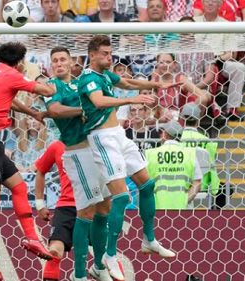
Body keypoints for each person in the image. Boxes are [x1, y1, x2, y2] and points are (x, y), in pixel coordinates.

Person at [78, 35, 176, 280]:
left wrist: (153, 85)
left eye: (110, 53)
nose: (109, 58)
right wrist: (131, 100)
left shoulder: (104, 75)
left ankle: (149, 239)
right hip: (102, 139)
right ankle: (110, 255)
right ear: (92, 55)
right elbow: (99, 101)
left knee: (147, 184)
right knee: (121, 196)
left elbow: (126, 82)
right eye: (104, 54)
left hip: (119, 135)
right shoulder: (88, 78)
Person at [0, 41, 55, 281]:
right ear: (19, 63)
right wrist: (55, 81)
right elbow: (47, 92)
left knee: (18, 186)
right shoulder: (12, 74)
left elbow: (10, 99)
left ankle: (32, 238)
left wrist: (32, 113)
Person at [43, 46, 114, 281]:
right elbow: (54, 110)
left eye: (63, 59)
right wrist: (81, 109)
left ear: (72, 62)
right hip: (74, 166)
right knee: (59, 246)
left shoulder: (82, 83)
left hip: (94, 151)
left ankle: (96, 268)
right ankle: (79, 274)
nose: (59, 63)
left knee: (104, 214)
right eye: (55, 60)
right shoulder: (51, 87)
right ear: (51, 65)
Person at [194, 0, 245, 120]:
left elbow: (231, 53)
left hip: (219, 60)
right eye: (207, 1)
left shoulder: (226, 24)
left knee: (239, 68)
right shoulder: (193, 22)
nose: (210, 4)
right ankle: (214, 107)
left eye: (214, 1)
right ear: (202, 4)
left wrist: (215, 59)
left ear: (220, 5)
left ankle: (233, 109)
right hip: (195, 61)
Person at [34, 141, 78, 281]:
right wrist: (40, 203)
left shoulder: (95, 139)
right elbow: (40, 170)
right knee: (54, 251)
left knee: (106, 256)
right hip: (66, 207)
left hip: (93, 206)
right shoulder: (57, 146)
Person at [145, 120, 203, 209]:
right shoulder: (189, 154)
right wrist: (185, 201)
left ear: (165, 134)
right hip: (184, 209)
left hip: (157, 207)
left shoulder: (151, 154)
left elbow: (144, 183)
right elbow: (197, 183)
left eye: (162, 132)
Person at [180, 102, 220, 200]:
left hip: (179, 184)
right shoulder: (206, 141)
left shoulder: (176, 139)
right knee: (228, 189)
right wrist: (215, 189)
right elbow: (212, 166)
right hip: (202, 186)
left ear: (182, 119)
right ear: (198, 120)